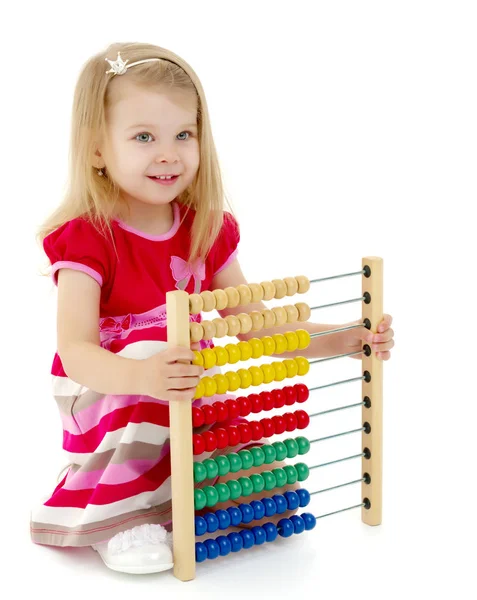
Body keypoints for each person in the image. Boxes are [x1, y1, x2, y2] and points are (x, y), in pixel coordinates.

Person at [31, 42, 395, 575]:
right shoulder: (87, 240)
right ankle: (124, 514)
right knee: (164, 347)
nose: (168, 153)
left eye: (183, 134)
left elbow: (257, 325)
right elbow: (77, 351)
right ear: (97, 151)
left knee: (275, 490)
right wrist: (143, 373)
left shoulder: (205, 228)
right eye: (143, 137)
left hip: (187, 393)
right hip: (110, 398)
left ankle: (180, 488)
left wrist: (344, 339)